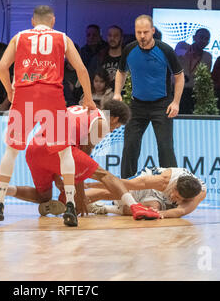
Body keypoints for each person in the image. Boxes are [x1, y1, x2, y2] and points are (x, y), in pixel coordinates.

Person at [0, 5, 96, 223]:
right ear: (53, 20)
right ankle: (70, 205)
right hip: (51, 95)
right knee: (64, 152)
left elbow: (2, 67)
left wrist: (10, 91)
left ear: (32, 21)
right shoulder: (62, 37)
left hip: (25, 93)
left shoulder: (19, 37)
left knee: (11, 150)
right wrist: (88, 97)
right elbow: (82, 69)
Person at [0, 100, 161, 225]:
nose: (114, 130)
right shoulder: (102, 124)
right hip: (56, 149)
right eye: (117, 126)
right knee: (104, 174)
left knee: (43, 197)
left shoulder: (83, 109)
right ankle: (135, 207)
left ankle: (1, 190)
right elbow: (80, 164)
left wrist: (64, 181)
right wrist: (80, 196)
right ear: (114, 119)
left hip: (35, 147)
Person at [113, 14, 185, 179]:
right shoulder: (129, 49)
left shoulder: (165, 50)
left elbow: (179, 76)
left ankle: (171, 190)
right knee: (130, 146)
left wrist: (176, 102)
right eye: (139, 32)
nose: (142, 36)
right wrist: (117, 92)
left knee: (165, 147)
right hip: (137, 105)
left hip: (162, 105)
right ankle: (126, 191)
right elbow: (121, 71)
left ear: (153, 31)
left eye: (146, 32)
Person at [85, 167, 206, 219]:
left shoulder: (198, 194)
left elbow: (181, 211)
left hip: (159, 199)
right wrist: (92, 184)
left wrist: (159, 213)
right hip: (150, 186)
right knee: (111, 193)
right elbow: (126, 184)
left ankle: (105, 208)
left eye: (178, 198)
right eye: (175, 193)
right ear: (174, 186)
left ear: (188, 198)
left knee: (150, 211)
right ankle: (69, 202)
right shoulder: (162, 181)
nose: (173, 197)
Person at [178, 28, 212, 114]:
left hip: (194, 92)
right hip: (177, 90)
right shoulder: (182, 46)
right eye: (201, 37)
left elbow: (204, 76)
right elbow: (178, 59)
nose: (203, 41)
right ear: (194, 37)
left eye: (206, 39)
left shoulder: (207, 56)